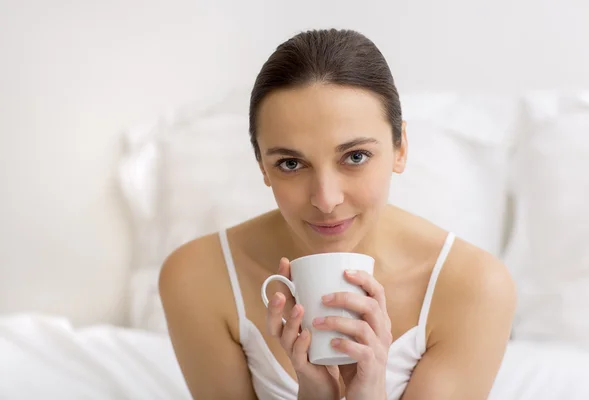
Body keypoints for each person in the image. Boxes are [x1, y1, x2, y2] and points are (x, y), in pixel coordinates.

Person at [158, 28, 516, 400]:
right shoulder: (199, 277)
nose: (326, 200)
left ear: (400, 148)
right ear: (262, 166)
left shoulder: (472, 287)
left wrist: (370, 392)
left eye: (355, 157)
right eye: (291, 163)